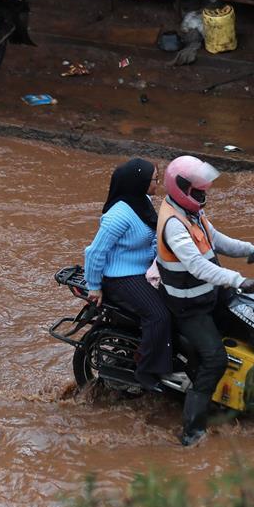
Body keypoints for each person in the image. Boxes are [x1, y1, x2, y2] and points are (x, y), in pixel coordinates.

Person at [155, 155, 254, 446]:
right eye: (198, 189)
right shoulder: (174, 223)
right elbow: (197, 266)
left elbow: (217, 239)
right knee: (214, 359)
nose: (203, 193)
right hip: (189, 304)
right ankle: (192, 431)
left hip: (209, 293)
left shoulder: (191, 212)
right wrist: (238, 279)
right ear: (182, 188)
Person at [83, 158, 172, 390]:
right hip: (120, 278)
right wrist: (94, 285)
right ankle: (147, 372)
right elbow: (95, 252)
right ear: (139, 182)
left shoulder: (142, 201)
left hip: (143, 270)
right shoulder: (118, 216)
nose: (157, 183)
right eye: (154, 179)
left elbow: (154, 236)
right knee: (159, 315)